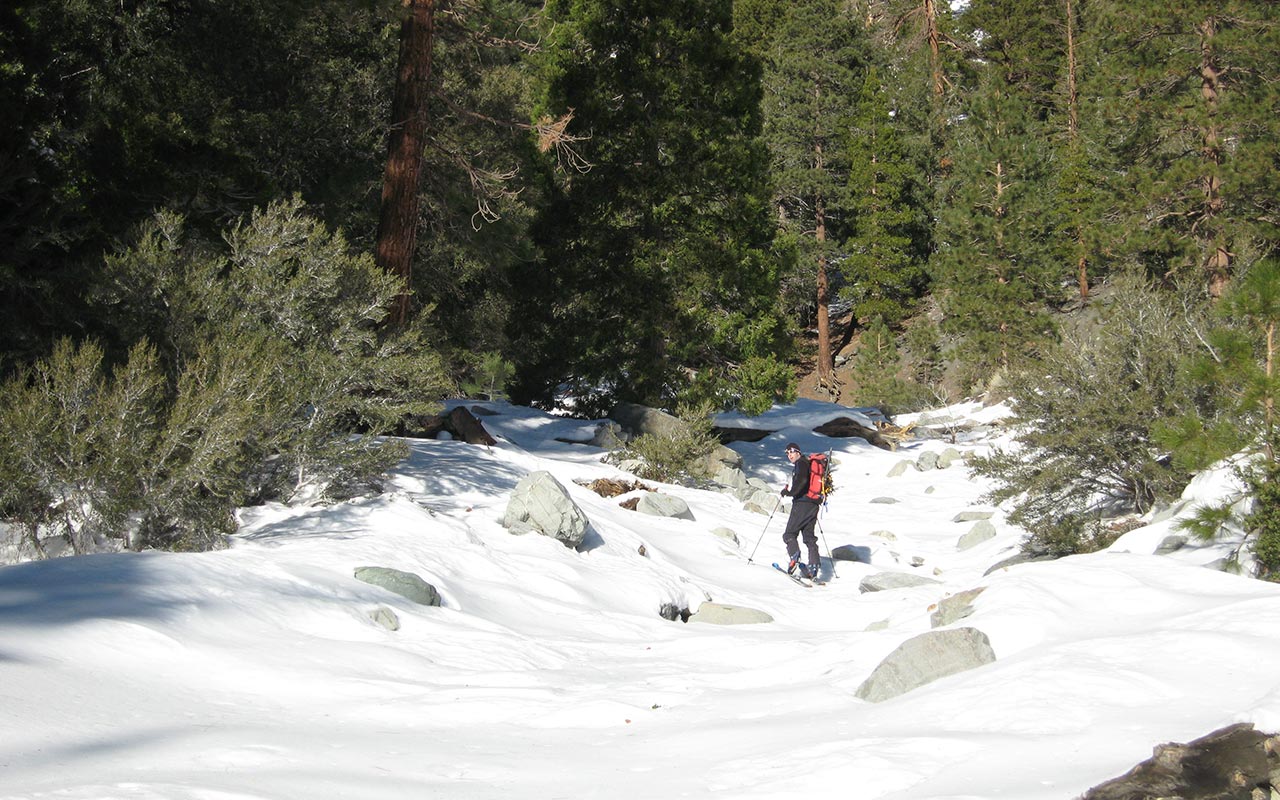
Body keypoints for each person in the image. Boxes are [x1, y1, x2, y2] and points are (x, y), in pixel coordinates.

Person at [780, 443, 821, 580]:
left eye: (791, 452)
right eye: (787, 453)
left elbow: (802, 481)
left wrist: (790, 492)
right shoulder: (807, 463)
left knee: (789, 534)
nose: (789, 455)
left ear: (798, 452)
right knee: (809, 538)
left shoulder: (801, 463)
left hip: (802, 504)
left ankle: (794, 557)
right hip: (813, 505)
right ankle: (814, 567)